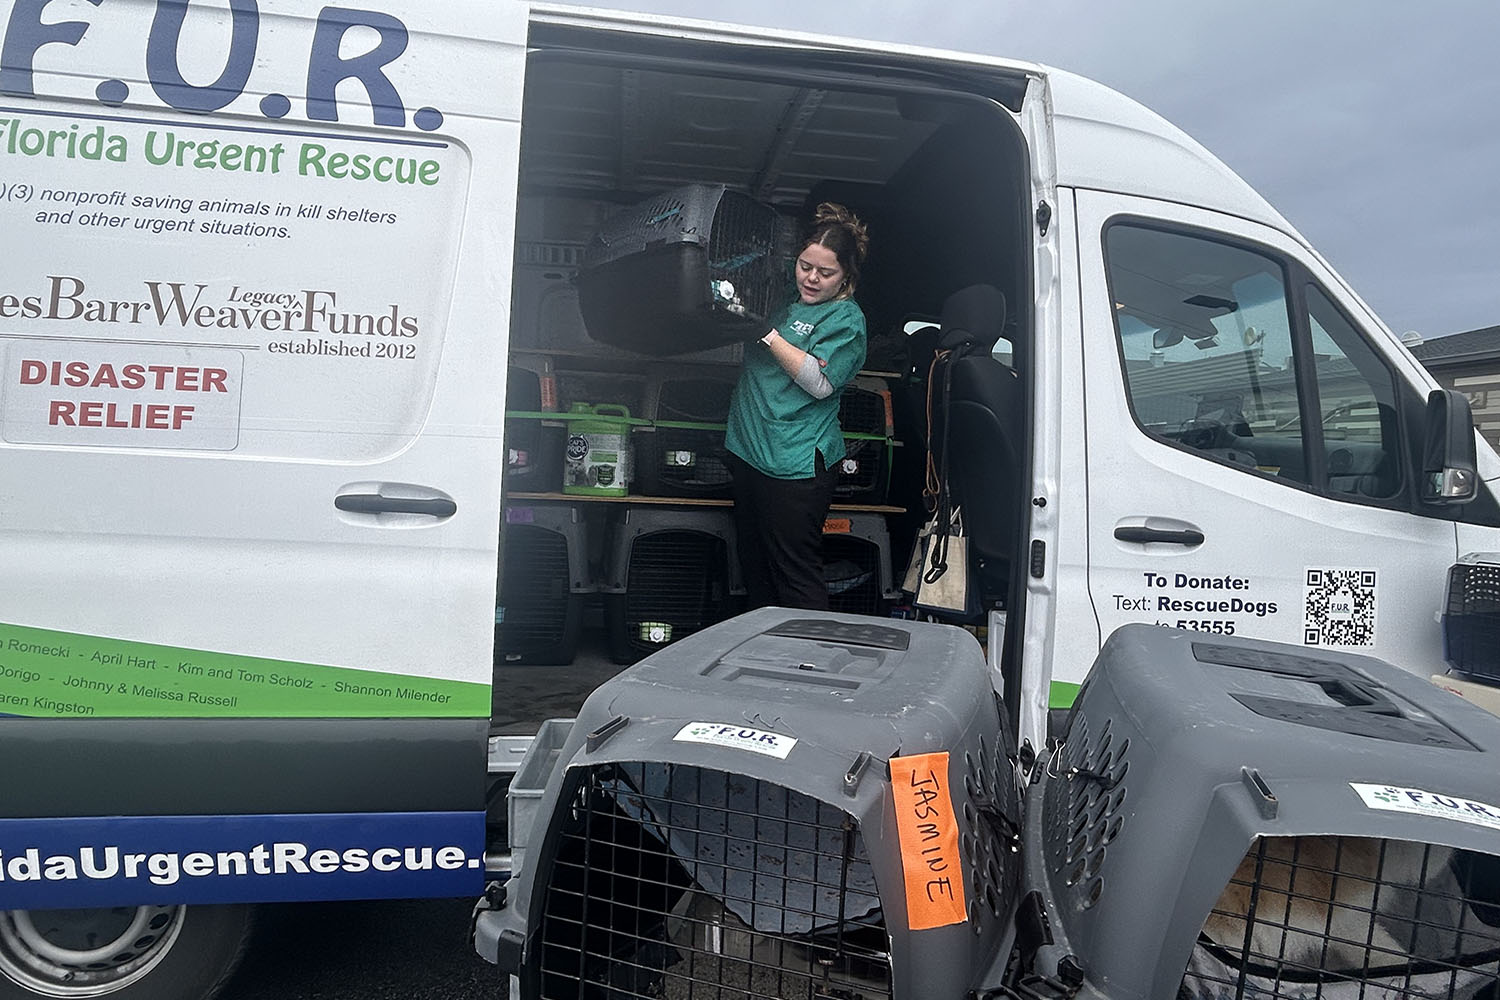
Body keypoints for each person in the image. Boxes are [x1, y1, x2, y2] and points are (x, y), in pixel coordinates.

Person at [725, 202, 870, 610]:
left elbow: (819, 383)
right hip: (750, 449)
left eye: (826, 273)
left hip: (797, 463)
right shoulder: (785, 296)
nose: (811, 278)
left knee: (794, 569)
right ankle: (765, 658)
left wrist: (768, 335)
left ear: (846, 277)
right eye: (806, 266)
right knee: (754, 564)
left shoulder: (845, 319)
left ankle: (808, 660)